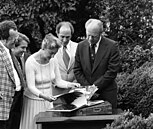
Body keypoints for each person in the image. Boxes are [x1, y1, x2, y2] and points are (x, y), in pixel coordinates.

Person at [19, 33, 80, 129]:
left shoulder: (53, 60)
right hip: (33, 101)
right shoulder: (30, 62)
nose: (52, 56)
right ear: (43, 48)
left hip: (48, 101)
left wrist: (71, 85)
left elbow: (58, 81)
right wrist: (44, 96)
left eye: (54, 54)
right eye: (51, 53)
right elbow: (31, 87)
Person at [74, 18, 120, 109]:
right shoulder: (80, 46)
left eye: (94, 36)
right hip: (87, 95)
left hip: (107, 93)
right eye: (88, 35)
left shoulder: (112, 46)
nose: (90, 39)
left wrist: (95, 87)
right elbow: (77, 69)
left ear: (101, 34)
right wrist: (88, 88)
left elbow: (112, 71)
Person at [0, 20, 26, 129]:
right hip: (4, 100)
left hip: (17, 97)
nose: (16, 40)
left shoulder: (10, 51)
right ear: (4, 38)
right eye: (13, 38)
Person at [54, 21, 78, 97]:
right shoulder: (51, 49)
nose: (64, 40)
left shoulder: (77, 47)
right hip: (56, 91)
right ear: (57, 34)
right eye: (62, 37)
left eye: (67, 37)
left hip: (73, 90)